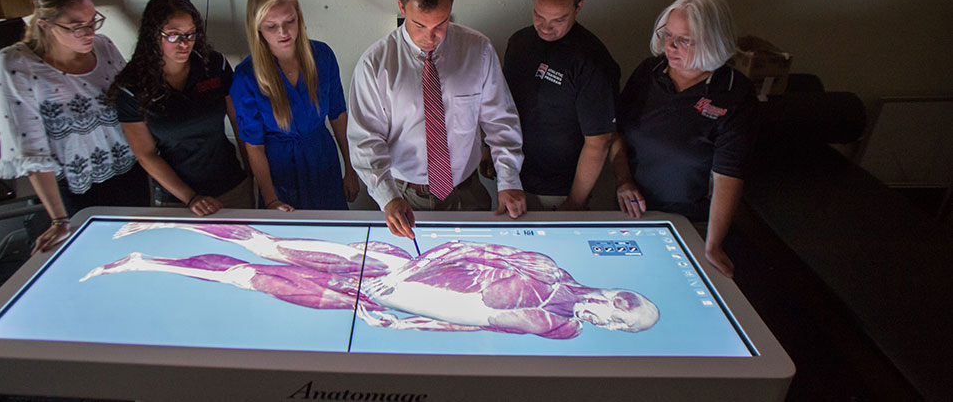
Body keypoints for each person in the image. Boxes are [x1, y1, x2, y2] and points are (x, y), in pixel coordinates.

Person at [85, 221, 660, 339]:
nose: (607, 317)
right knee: (271, 245)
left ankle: (146, 264)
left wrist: (402, 319)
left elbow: (473, 328)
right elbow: (469, 246)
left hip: (385, 298)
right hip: (391, 267)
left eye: (619, 326)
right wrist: (410, 270)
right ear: (618, 294)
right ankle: (161, 224)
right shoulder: (551, 272)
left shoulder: (561, 329)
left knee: (250, 278)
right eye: (621, 308)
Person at [349, 0, 526, 239]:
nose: (430, 37)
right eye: (419, 25)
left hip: (469, 194)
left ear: (452, 6)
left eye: (440, 24)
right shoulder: (375, 65)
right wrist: (387, 197)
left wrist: (509, 180)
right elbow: (365, 140)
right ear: (401, 7)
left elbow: (500, 120)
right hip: (406, 198)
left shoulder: (478, 50)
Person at [0, 0, 148, 254]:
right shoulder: (17, 65)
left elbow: (132, 106)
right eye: (77, 27)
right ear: (44, 24)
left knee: (137, 252)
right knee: (94, 257)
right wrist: (59, 219)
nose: (89, 32)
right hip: (76, 188)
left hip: (129, 175)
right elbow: (31, 150)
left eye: (92, 21)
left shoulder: (104, 46)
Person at [609, 0, 756, 278]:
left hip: (692, 220)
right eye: (667, 35)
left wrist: (712, 245)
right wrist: (623, 181)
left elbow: (728, 175)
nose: (669, 46)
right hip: (634, 208)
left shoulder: (734, 93)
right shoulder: (649, 72)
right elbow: (617, 133)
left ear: (712, 40)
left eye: (683, 40)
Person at [109, 0, 251, 217]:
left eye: (191, 34)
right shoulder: (132, 87)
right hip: (178, 198)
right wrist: (191, 198)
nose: (185, 44)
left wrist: (252, 174)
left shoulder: (213, 65)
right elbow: (146, 154)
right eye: (174, 36)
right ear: (153, 35)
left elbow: (239, 122)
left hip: (232, 185)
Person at [230, 0, 358, 211]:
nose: (283, 32)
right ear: (257, 27)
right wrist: (271, 200)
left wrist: (350, 168)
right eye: (271, 26)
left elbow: (338, 115)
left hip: (322, 161)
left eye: (290, 21)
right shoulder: (246, 77)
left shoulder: (322, 56)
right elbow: (254, 145)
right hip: (279, 174)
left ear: (299, 16)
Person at [499, 0, 619, 212]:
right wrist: (490, 152)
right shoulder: (518, 44)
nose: (546, 27)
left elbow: (599, 142)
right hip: (512, 180)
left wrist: (575, 201)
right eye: (538, 15)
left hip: (560, 191)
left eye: (558, 19)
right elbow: (502, 106)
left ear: (578, 7)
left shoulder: (592, 61)